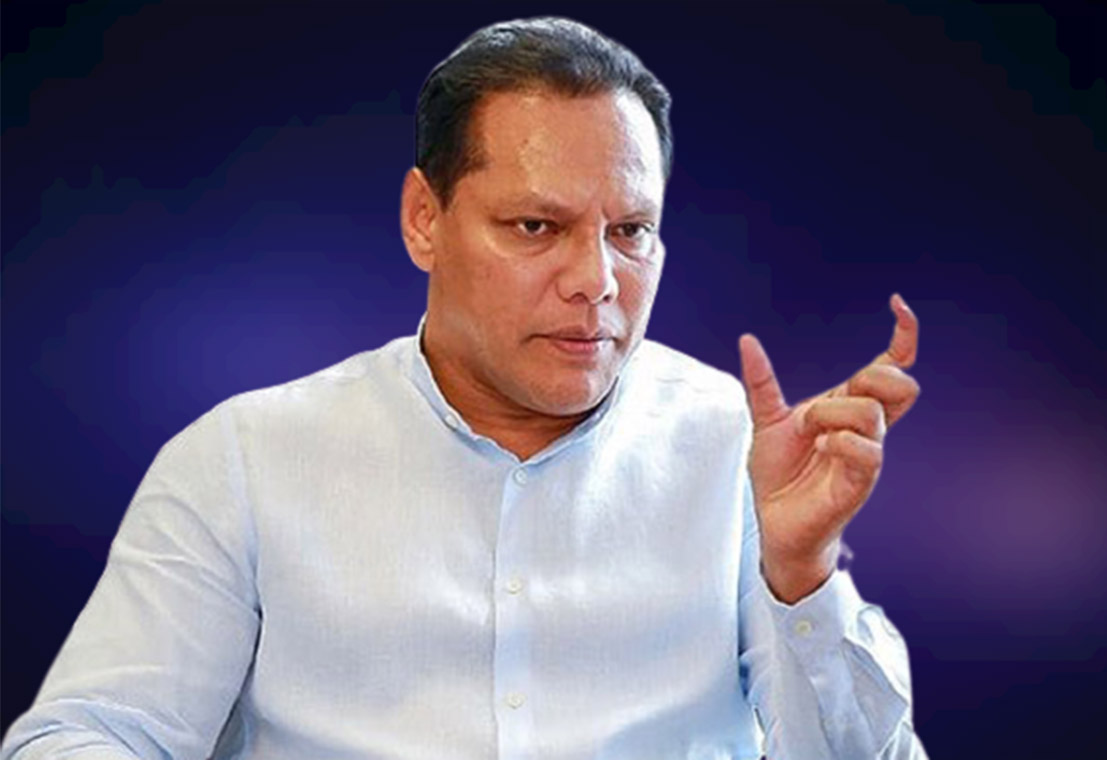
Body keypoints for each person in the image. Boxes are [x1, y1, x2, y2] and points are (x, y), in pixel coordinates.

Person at [2, 16, 928, 760]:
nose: (596, 282)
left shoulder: (739, 450)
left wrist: (803, 577)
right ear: (424, 220)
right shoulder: (244, 461)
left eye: (630, 231)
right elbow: (86, 736)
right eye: (536, 226)